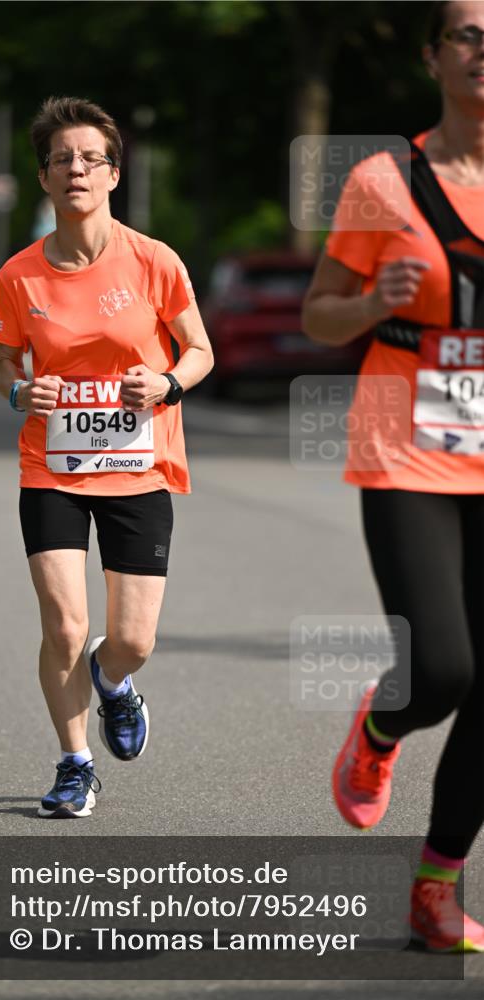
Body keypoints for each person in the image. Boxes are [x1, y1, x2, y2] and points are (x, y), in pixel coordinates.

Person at [302, 0, 484, 953]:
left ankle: (434, 886)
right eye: (467, 34)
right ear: (433, 57)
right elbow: (318, 317)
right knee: (446, 667)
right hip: (407, 444)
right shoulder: (384, 181)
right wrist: (374, 300)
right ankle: (381, 729)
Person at [0, 96, 213, 818]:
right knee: (63, 624)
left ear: (113, 175)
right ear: (45, 179)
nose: (76, 169)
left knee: (134, 639)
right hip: (51, 466)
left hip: (138, 466)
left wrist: (168, 381)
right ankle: (74, 762)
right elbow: (2, 361)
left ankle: (113, 682)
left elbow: (201, 350)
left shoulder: (154, 261)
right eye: (62, 160)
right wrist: (22, 391)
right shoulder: (20, 275)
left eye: (90, 158)